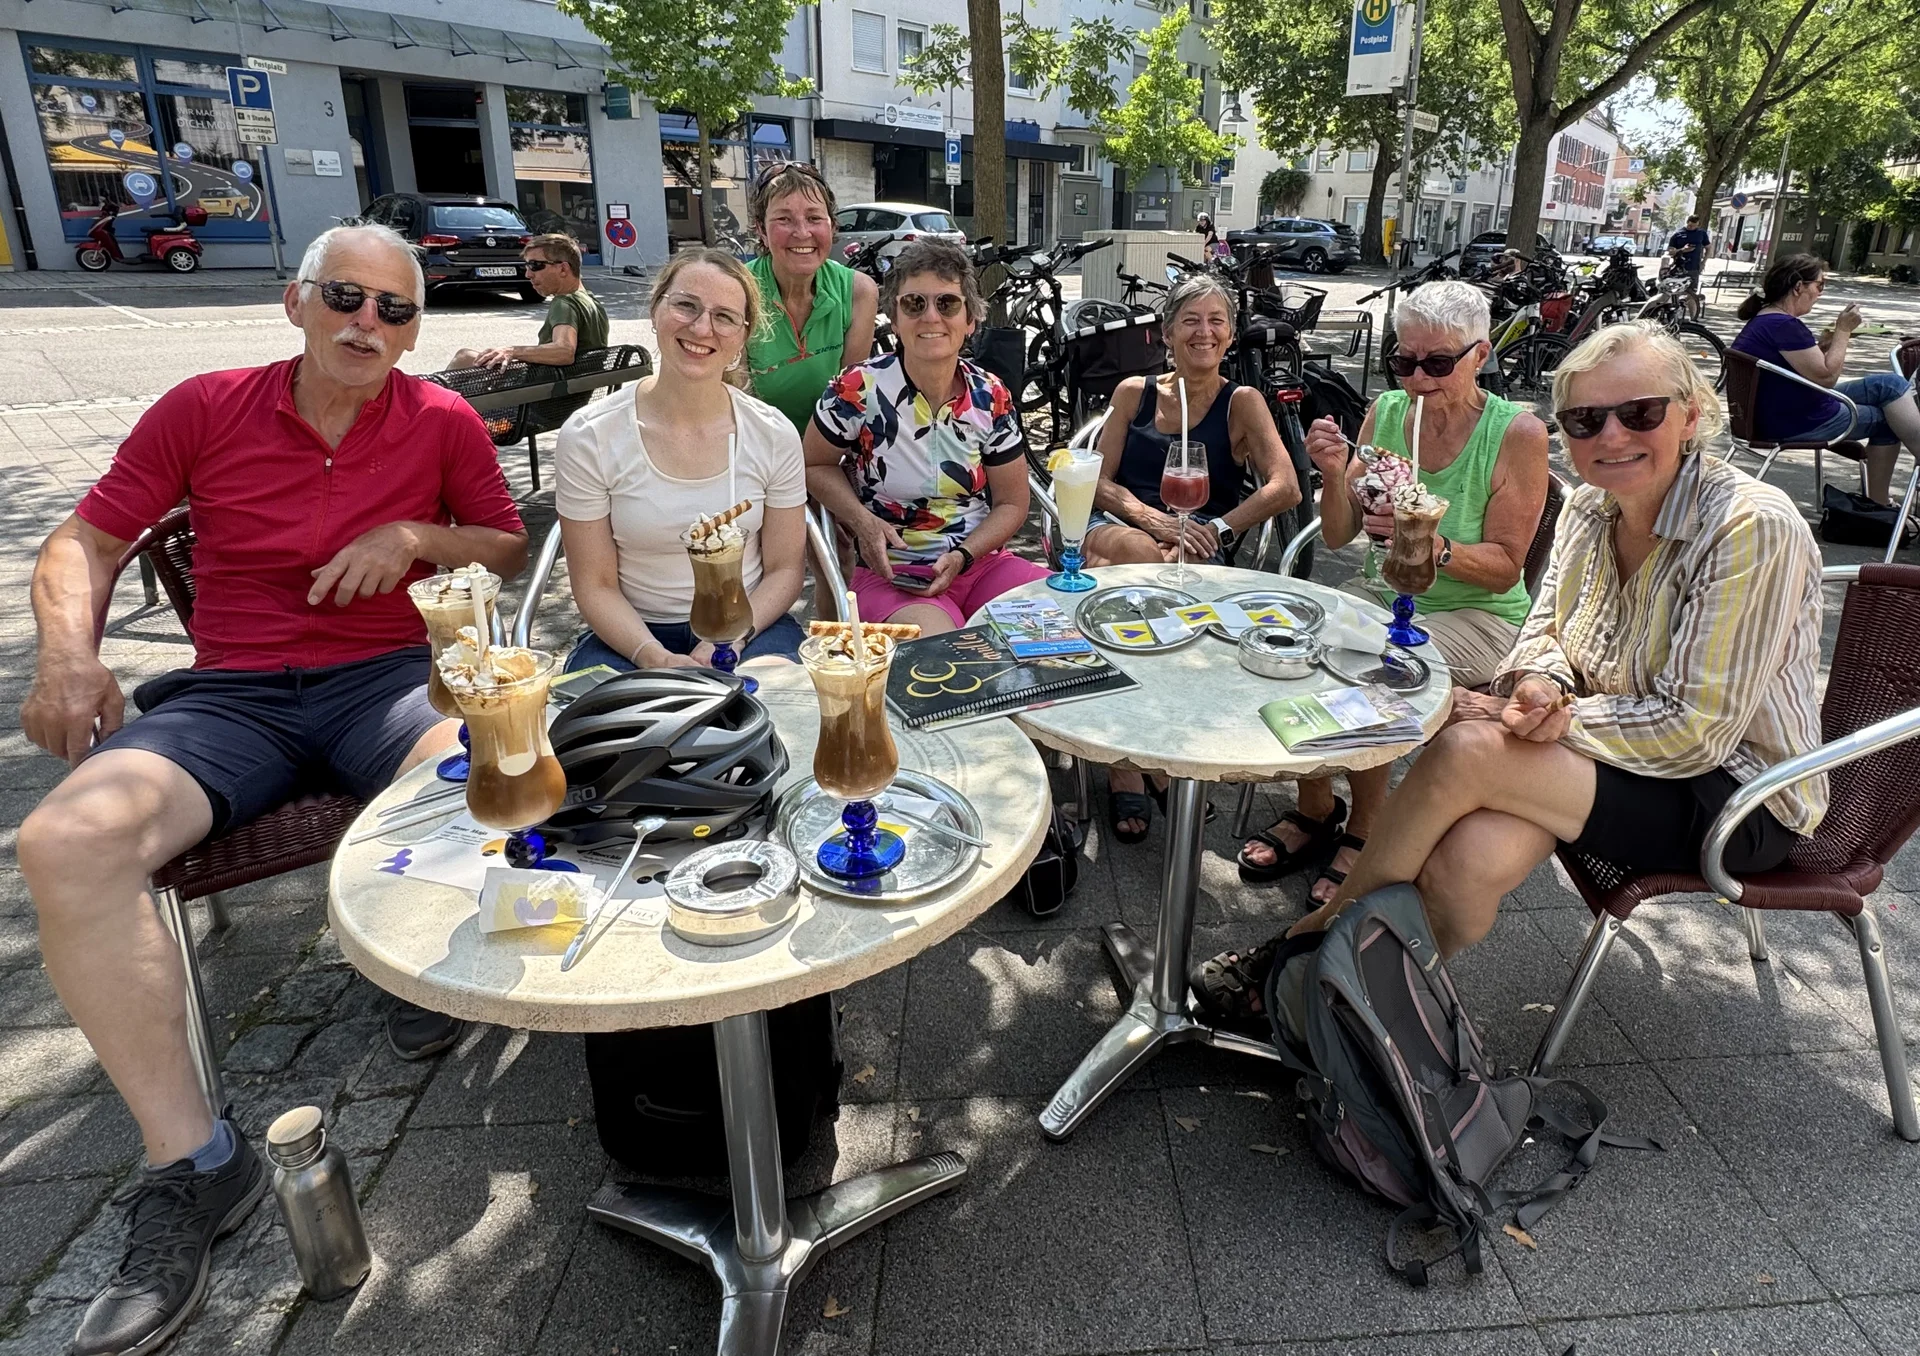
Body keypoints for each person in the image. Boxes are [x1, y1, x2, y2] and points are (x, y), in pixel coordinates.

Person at [16, 223, 529, 1356]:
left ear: (413, 332)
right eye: (346, 297)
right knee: (65, 842)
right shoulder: (205, 407)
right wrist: (67, 655)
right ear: (296, 303)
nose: (369, 323)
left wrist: (413, 534)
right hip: (233, 696)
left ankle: (415, 956)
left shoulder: (440, 418)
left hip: (384, 682)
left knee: (483, 762)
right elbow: (85, 541)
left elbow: (502, 543)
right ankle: (194, 1163)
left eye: (396, 310)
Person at [1284, 322, 1823, 961]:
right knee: (1466, 863)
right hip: (1610, 748)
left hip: (1735, 793)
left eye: (1640, 413)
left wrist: (1537, 718)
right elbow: (1545, 632)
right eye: (1585, 419)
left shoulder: (1750, 525)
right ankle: (1361, 996)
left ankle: (1306, 947)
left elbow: (1695, 730)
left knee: (1466, 747)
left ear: (1690, 416)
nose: (1611, 436)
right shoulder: (1592, 506)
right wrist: (1540, 685)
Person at [1232, 279, 1549, 913]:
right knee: (1291, 648)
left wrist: (1432, 544)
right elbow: (1341, 533)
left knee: (1373, 672)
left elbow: (1505, 568)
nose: (1418, 379)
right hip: (1383, 592)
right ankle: (1316, 808)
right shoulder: (1388, 412)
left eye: (1438, 363)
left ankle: (1367, 828)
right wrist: (1331, 473)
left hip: (1476, 613)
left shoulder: (1517, 433)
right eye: (1404, 362)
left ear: (1480, 354)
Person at [1079, 272, 1304, 840]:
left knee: (1144, 594)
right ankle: (1139, 766)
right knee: (1137, 560)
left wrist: (1218, 528)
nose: (1204, 332)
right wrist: (1152, 519)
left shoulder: (1242, 402)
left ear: (1230, 334)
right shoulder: (1133, 393)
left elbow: (1286, 487)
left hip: (1198, 546)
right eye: (1190, 321)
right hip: (1120, 530)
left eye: (1216, 321)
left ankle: (1138, 752)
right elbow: (1097, 481)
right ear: (1166, 333)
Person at [556, 248, 809, 670]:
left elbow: (785, 570)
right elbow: (594, 585)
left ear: (742, 337)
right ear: (656, 310)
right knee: (613, 714)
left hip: (750, 625)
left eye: (724, 317)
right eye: (686, 305)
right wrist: (652, 656)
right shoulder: (590, 435)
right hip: (630, 632)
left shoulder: (772, 433)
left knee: (780, 705)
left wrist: (732, 640)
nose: (702, 328)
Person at [804, 237, 1045, 633]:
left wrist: (964, 556)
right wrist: (862, 521)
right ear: (895, 319)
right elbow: (813, 464)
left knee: (1056, 627)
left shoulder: (990, 395)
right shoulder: (857, 388)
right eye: (914, 304)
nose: (931, 317)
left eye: (947, 303)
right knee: (940, 649)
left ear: (970, 320)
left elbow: (1012, 503)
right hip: (894, 573)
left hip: (980, 564)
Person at [1732, 252, 1917, 505]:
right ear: (1799, 287)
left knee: (1890, 385)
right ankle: (1879, 503)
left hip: (1779, 411)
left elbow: (1801, 368)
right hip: (1798, 420)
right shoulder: (1784, 326)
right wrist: (1843, 331)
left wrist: (1824, 345)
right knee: (1887, 421)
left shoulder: (1766, 319)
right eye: (1820, 285)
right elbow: (1827, 378)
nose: (1821, 293)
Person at [744, 161, 879, 434]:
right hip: (759, 445)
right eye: (784, 219)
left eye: (814, 218)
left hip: (831, 444)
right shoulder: (739, 291)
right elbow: (738, 404)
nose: (802, 232)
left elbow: (846, 401)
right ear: (761, 230)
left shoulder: (859, 292)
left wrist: (815, 457)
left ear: (832, 226)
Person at [448, 232, 611, 419]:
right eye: (526, 266)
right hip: (564, 402)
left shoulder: (564, 302)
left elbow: (564, 351)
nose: (528, 274)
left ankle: (428, 413)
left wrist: (512, 351)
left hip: (537, 407)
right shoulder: (592, 303)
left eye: (535, 265)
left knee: (464, 358)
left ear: (563, 269)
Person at [1666, 214, 1711, 292]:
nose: (1692, 228)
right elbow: (1670, 252)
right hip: (1679, 267)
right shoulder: (1678, 234)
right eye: (1690, 226)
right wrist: (1682, 250)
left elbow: (1709, 248)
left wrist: (1703, 262)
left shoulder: (1701, 233)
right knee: (1677, 291)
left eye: (1695, 226)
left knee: (1692, 292)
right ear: (1687, 222)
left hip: (1694, 267)